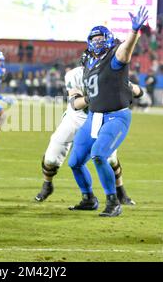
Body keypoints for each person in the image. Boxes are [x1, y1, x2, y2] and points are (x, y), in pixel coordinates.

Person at [67, 6, 148, 217]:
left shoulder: (114, 56)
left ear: (110, 40)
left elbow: (125, 52)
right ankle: (88, 198)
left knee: (99, 155)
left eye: (102, 38)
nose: (98, 42)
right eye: (94, 39)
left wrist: (134, 32)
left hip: (116, 117)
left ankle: (113, 202)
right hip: (94, 117)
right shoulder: (87, 63)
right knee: (75, 162)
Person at [35, 51, 138, 207]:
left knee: (109, 157)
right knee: (51, 156)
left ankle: (120, 192)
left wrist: (135, 90)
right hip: (75, 118)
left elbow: (131, 89)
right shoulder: (74, 75)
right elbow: (75, 104)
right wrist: (93, 97)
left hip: (99, 116)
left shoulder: (108, 72)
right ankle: (47, 185)